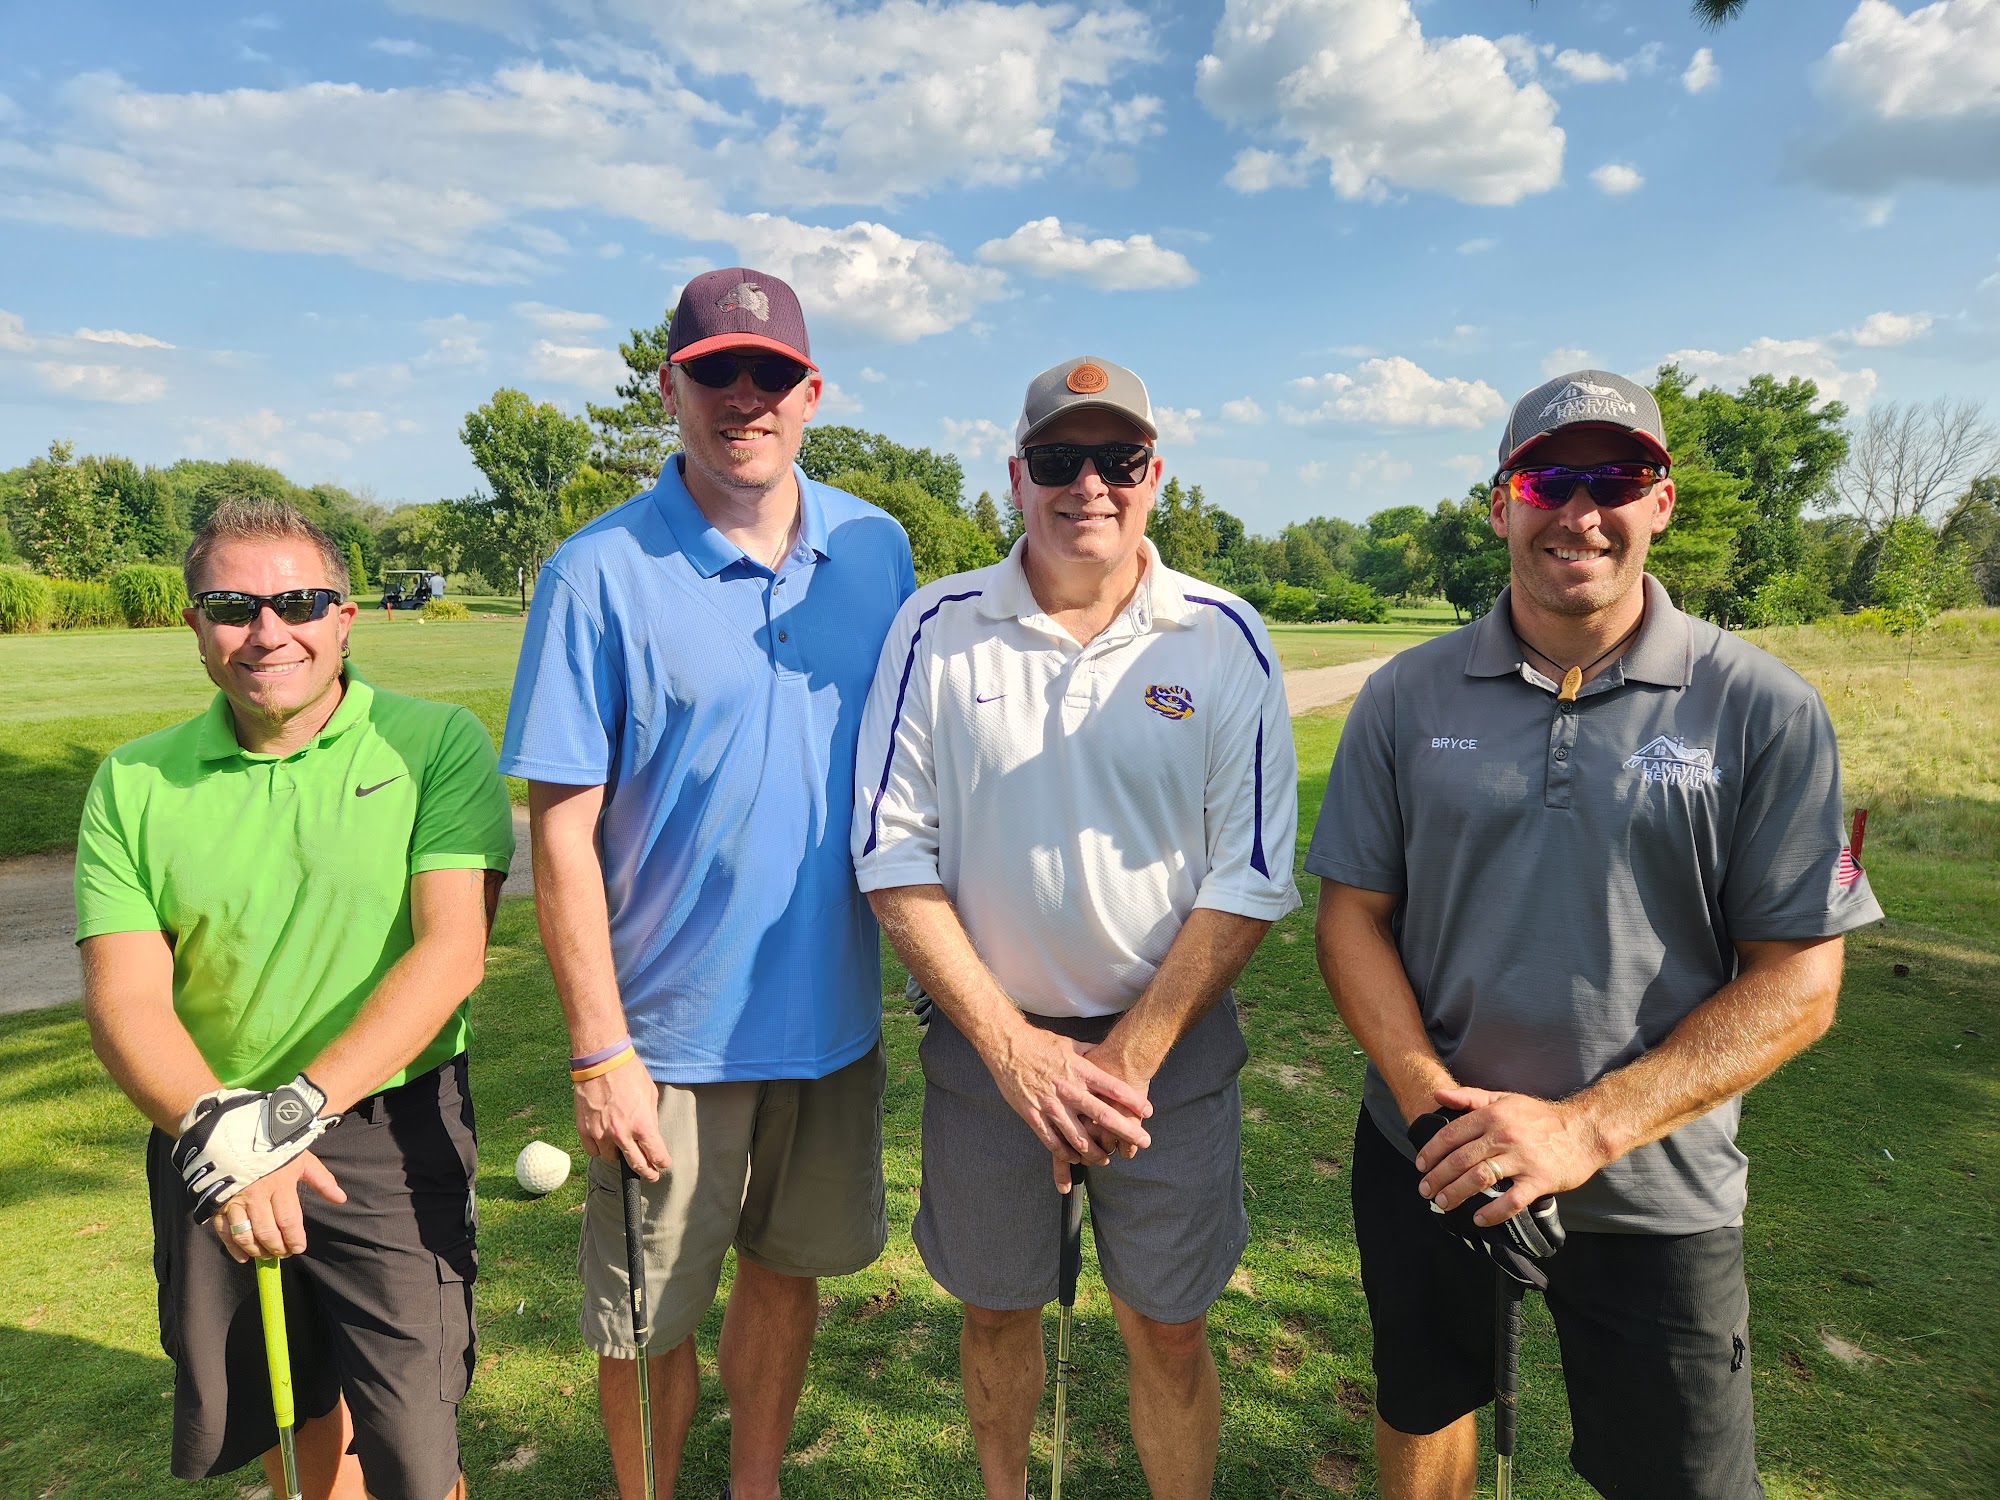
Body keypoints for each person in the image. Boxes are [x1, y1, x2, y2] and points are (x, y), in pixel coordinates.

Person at [1307, 369, 1883, 1499]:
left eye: (1614, 479)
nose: (1579, 512)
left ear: (1659, 502)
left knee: (1682, 1476)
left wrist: (1581, 1130)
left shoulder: (1761, 704)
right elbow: (1351, 918)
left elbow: (1801, 978)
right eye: (1546, 482)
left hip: (1655, 1183)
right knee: (1424, 1404)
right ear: (1500, 505)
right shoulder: (1406, 695)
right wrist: (1431, 1105)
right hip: (1432, 1151)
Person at [499, 266, 916, 1500]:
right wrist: (597, 1050)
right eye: (716, 372)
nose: (745, 397)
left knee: (785, 1278)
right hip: (665, 1044)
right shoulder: (595, 572)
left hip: (829, 1027)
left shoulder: (874, 550)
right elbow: (560, 834)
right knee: (646, 1323)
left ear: (810, 394)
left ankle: (755, 1485)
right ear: (668, 387)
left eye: (771, 374)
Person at [854, 355, 1299, 1500]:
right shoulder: (934, 627)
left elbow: (1249, 873)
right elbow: (891, 854)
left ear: (1154, 475)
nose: (1087, 484)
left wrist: (1123, 1063)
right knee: (997, 1312)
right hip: (988, 1046)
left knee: (1168, 1327)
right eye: (1057, 459)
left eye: (1116, 459)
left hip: (1169, 1052)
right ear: (1016, 477)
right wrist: (1017, 1054)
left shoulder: (1222, 634)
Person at [77, 499, 515, 1500]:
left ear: (345, 618)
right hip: (206, 1126)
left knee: (414, 1441)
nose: (268, 631)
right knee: (285, 1401)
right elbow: (124, 998)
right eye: (232, 607)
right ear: (195, 625)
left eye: (300, 603)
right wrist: (222, 1130)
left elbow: (452, 952)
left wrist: (286, 1119)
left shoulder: (434, 743)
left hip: (384, 1125)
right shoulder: (133, 782)